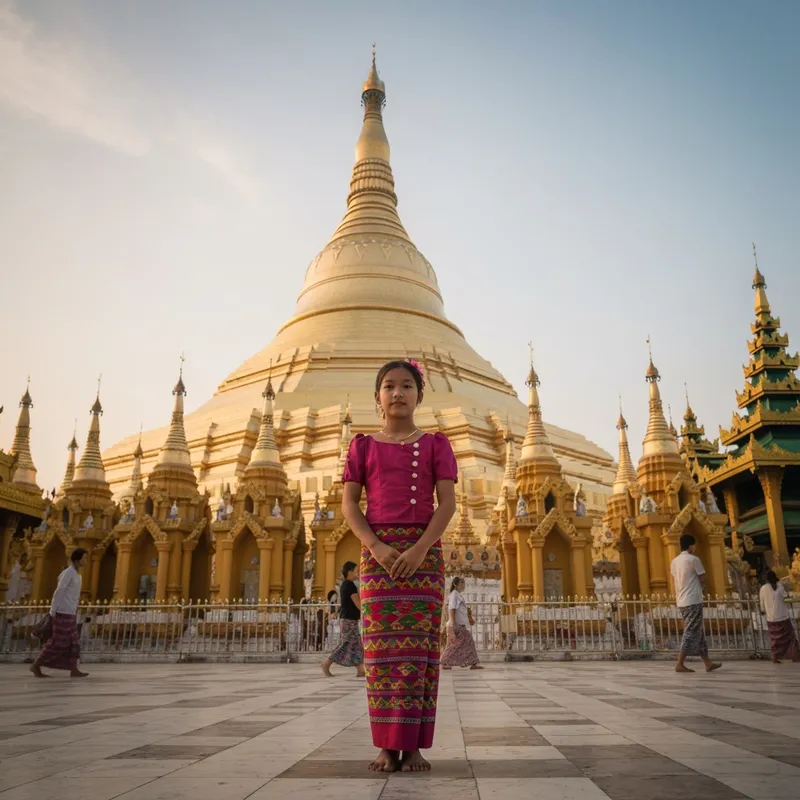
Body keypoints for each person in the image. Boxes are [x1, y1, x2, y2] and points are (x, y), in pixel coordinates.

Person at [342, 359, 457, 774]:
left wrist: (421, 549)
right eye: (389, 386)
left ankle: (414, 747)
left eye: (407, 386)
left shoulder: (436, 445)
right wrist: (373, 545)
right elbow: (350, 505)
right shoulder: (362, 446)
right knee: (382, 654)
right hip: (378, 556)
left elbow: (447, 505)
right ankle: (386, 746)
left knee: (420, 651)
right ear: (378, 397)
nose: (397, 393)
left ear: (419, 396)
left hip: (423, 555)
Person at [30, 548, 89, 678]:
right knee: (58, 642)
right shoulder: (68, 573)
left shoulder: (77, 575)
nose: (86, 561)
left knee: (74, 642)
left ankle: (74, 669)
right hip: (62, 611)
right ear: (78, 560)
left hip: (71, 613)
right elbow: (59, 591)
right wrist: (52, 611)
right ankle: (36, 664)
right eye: (84, 558)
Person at [671, 534, 721, 674]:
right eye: (694, 545)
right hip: (693, 599)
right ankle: (679, 663)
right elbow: (702, 577)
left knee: (698, 632)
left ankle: (707, 662)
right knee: (691, 631)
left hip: (681, 600)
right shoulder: (694, 559)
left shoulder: (674, 561)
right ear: (691, 545)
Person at [322, 562, 364, 677]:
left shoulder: (346, 584)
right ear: (350, 571)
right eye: (356, 570)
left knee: (355, 644)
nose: (358, 572)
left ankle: (360, 670)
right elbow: (356, 600)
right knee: (345, 644)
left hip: (349, 618)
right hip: (349, 619)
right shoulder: (349, 585)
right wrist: (365, 611)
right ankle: (326, 663)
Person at [441, 577, 482, 670]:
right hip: (456, 624)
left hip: (459, 624)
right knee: (456, 643)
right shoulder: (454, 595)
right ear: (455, 584)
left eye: (464, 582)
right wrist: (452, 623)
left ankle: (471, 663)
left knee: (463, 642)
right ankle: (445, 661)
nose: (463, 584)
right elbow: (452, 609)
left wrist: (469, 618)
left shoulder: (458, 595)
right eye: (461, 582)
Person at [759, 570, 799, 663]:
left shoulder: (763, 588)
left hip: (771, 617)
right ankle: (794, 655)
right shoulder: (780, 586)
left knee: (775, 639)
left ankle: (775, 656)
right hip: (783, 616)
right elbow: (785, 596)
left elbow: (762, 603)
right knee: (790, 637)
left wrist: (763, 610)